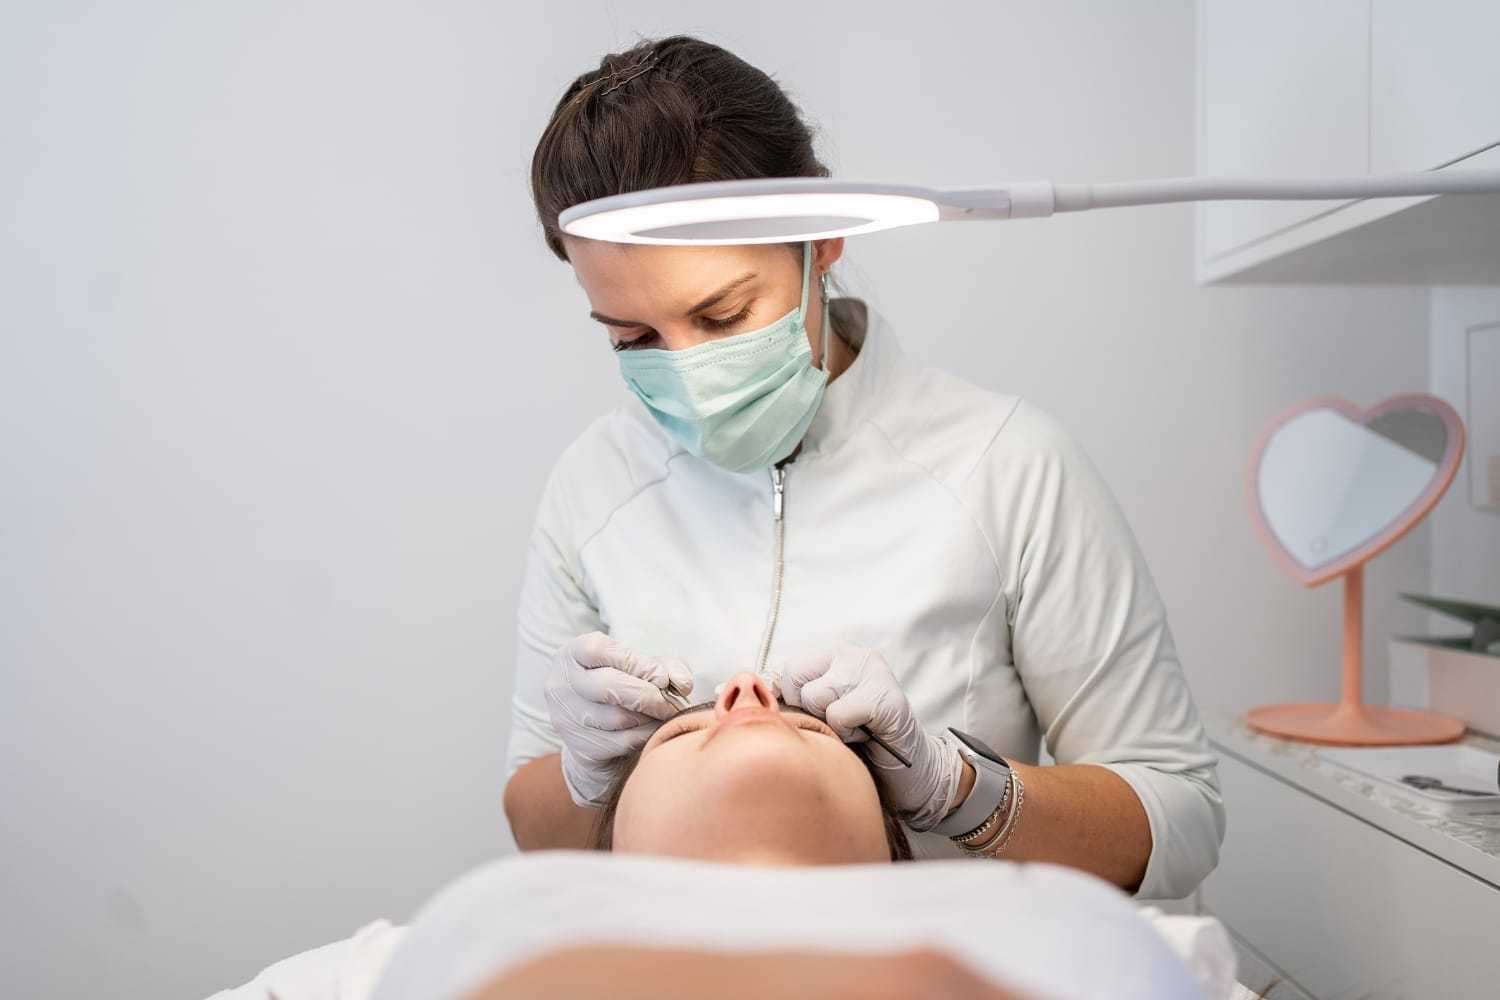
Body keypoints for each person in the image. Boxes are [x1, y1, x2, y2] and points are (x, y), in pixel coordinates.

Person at [505, 33, 1224, 900]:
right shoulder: (596, 487)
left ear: (825, 233)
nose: (689, 373)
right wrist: (583, 774)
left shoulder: (1007, 466)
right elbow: (537, 836)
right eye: (635, 339)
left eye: (724, 315)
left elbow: (1180, 820)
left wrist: (962, 790)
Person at [209, 674, 1236, 999]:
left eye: (804, 718)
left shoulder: (1047, 925)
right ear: (608, 849)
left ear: (892, 840)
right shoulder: (436, 943)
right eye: (687, 719)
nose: (747, 691)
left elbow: (1182, 802)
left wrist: (965, 785)